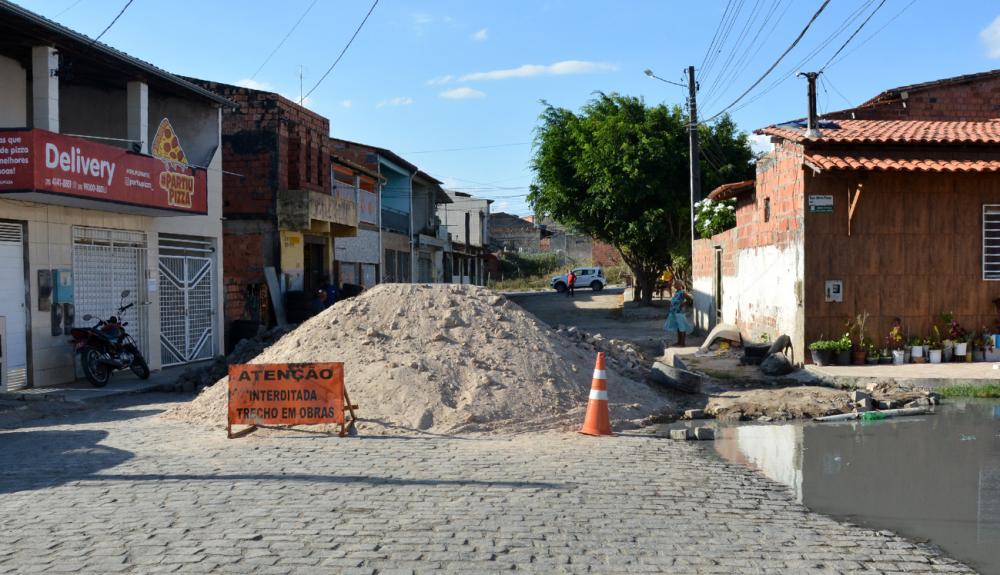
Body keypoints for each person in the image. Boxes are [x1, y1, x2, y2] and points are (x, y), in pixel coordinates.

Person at [665, 280, 693, 346]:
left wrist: (683, 304)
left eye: (676, 284)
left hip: (680, 313)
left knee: (682, 327)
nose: (674, 285)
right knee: (678, 327)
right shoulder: (676, 292)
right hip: (674, 312)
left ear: (680, 285)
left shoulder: (682, 292)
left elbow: (690, 299)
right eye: (674, 284)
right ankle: (679, 342)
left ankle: (683, 343)